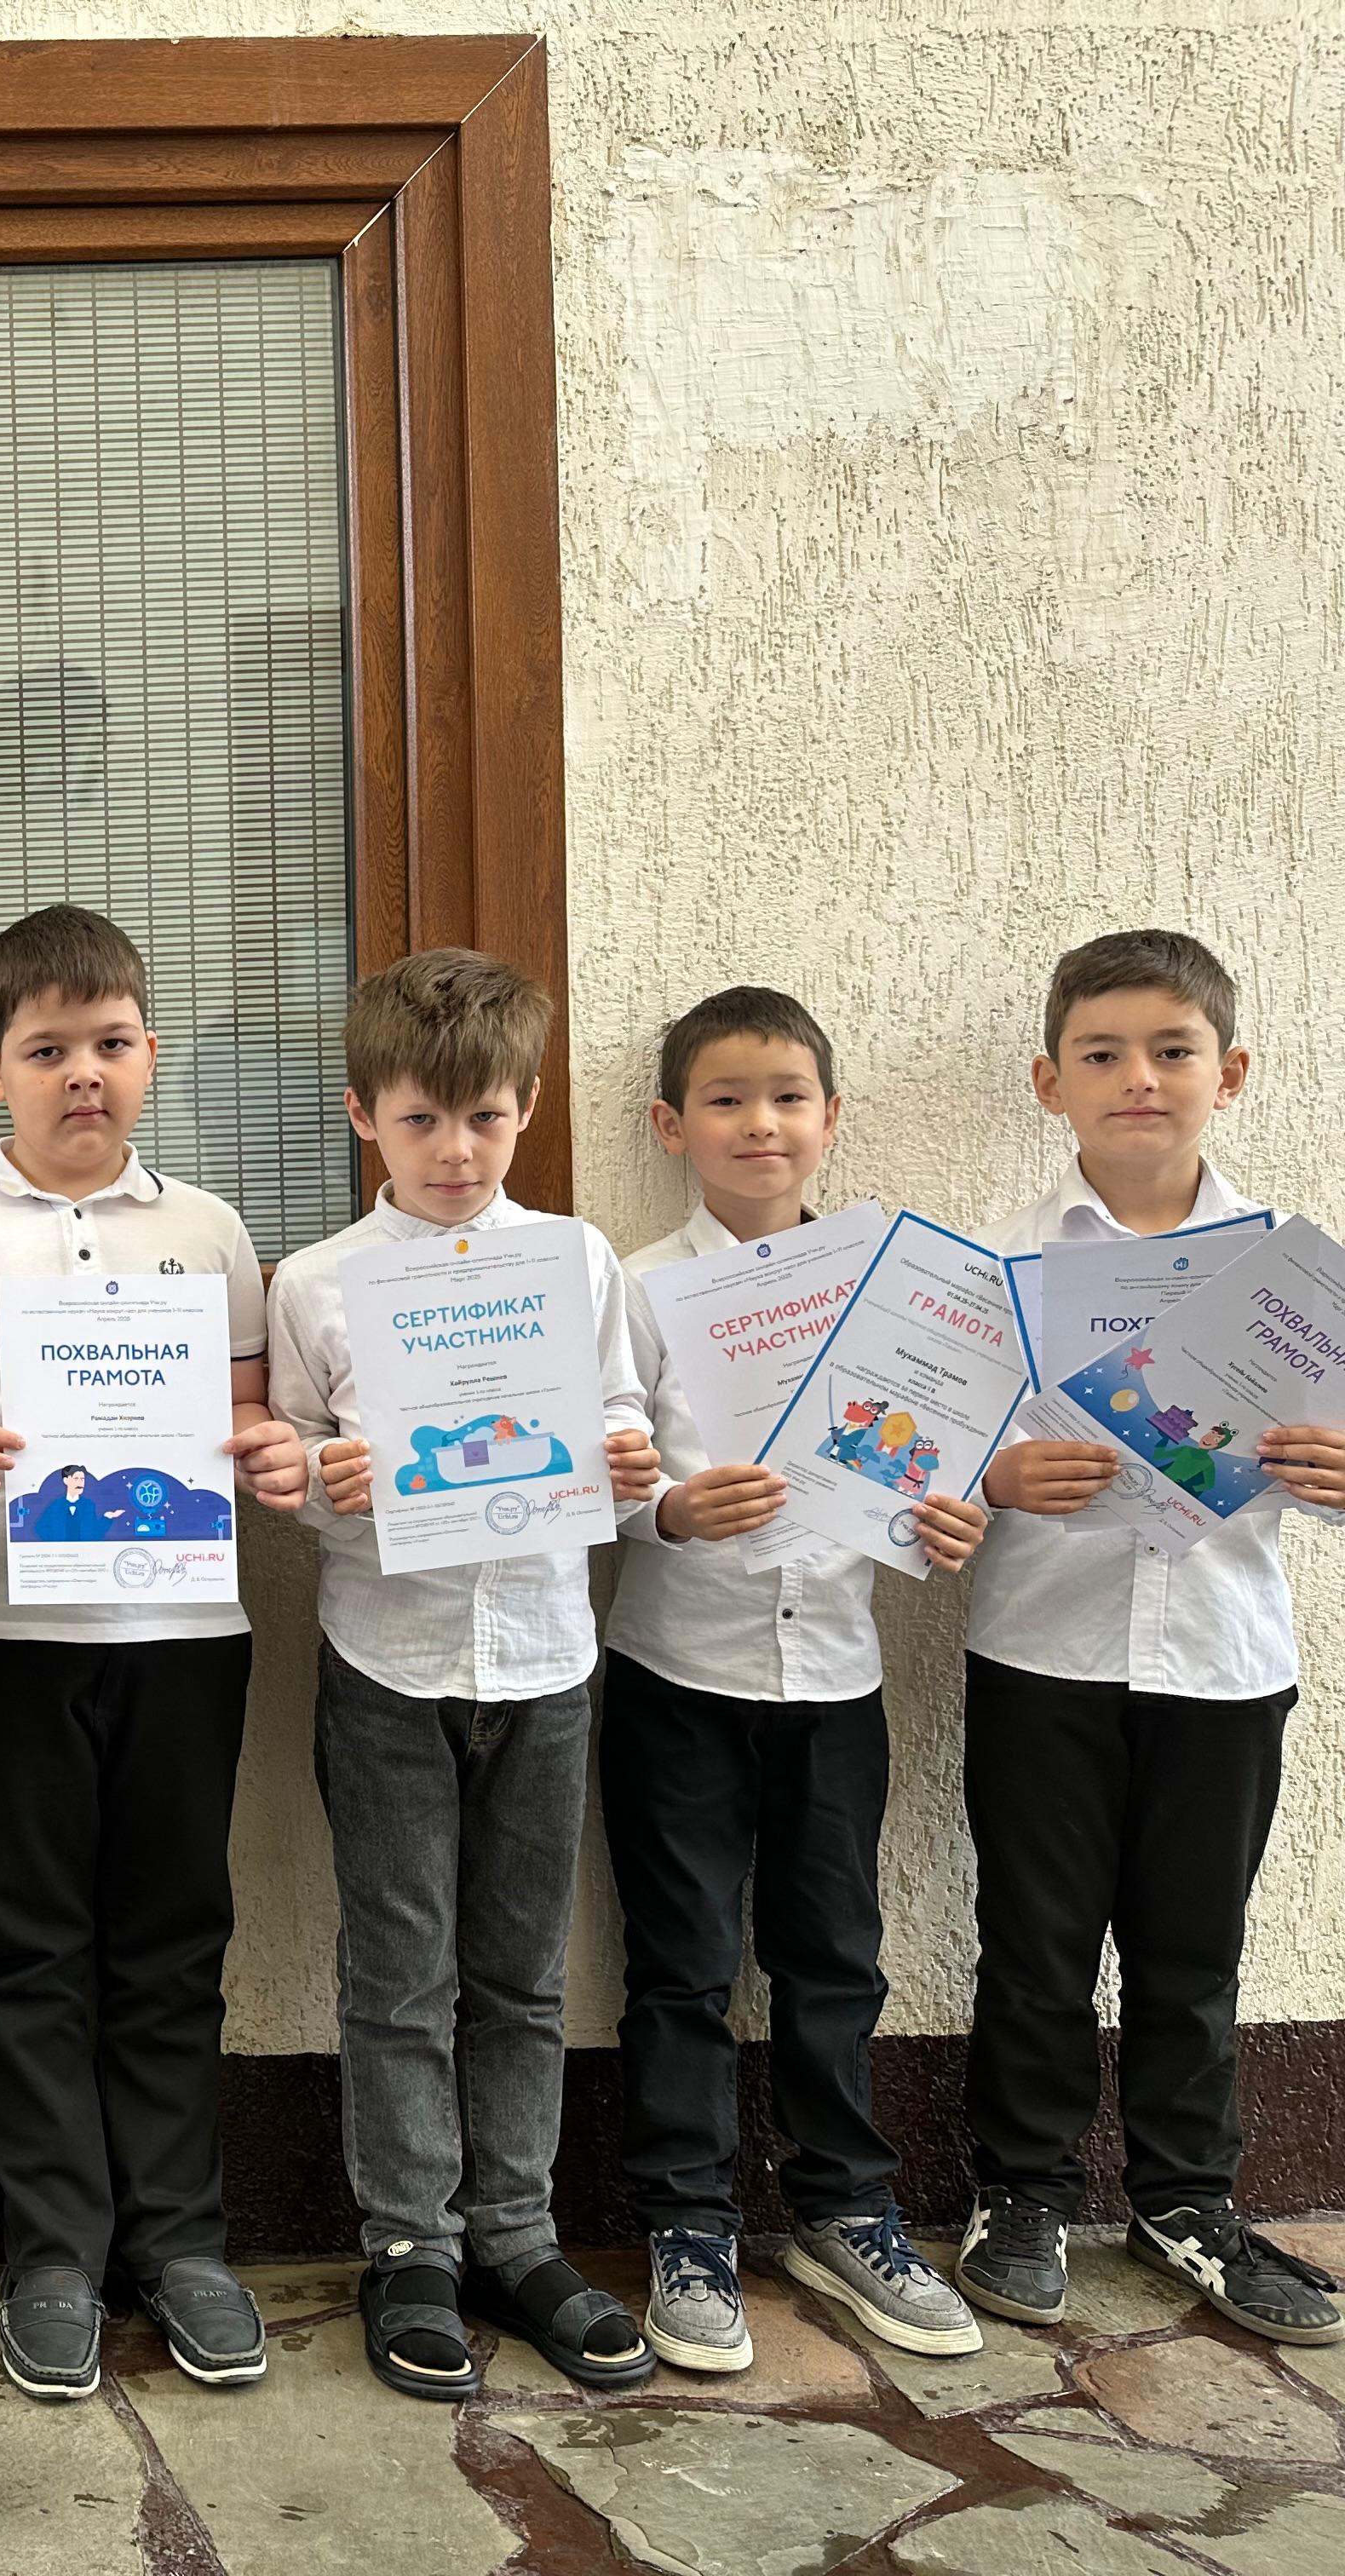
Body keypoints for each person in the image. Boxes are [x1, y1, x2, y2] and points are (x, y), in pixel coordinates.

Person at [0, 906, 307, 2401]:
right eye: (49, 1050)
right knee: (22, 1944)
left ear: (151, 1056)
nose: (84, 1075)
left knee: (174, 1939)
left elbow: (245, 1408)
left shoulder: (210, 1231)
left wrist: (263, 1450)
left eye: (110, 1044)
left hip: (184, 1631)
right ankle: (53, 2249)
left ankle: (181, 2241)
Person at [267, 947, 661, 2401]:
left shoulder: (576, 1260)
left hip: (547, 1660)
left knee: (522, 1975)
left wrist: (627, 1461)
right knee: (398, 1973)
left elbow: (619, 1419)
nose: (455, 1150)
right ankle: (410, 2245)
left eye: (485, 1118)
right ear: (363, 1113)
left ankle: (517, 2232)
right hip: (389, 1662)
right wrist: (327, 1483)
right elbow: (294, 1460)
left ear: (528, 1107)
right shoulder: (317, 1283)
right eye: (422, 1119)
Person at [957, 931, 1344, 2346]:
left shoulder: (1300, 1283)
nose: (1139, 1078)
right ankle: (1022, 2192)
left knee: (1194, 1953)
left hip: (1226, 1666)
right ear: (1048, 1080)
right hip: (1041, 1657)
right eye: (1103, 1053)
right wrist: (997, 1478)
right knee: (1037, 1946)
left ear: (1229, 1075)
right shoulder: (1001, 1274)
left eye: (1173, 1051)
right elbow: (932, 1463)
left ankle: (1188, 2202)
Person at [606, 989, 986, 2372]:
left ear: (831, 1120)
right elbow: (603, 1463)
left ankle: (846, 2208)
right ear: (671, 1126)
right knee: (681, 1965)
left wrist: (952, 1517)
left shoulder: (896, 1294)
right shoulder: (637, 1286)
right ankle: (687, 2225)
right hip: (677, 1674)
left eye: (786, 1097)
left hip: (834, 1676)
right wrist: (666, 1511)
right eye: (725, 1099)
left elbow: (936, 1459)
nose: (758, 1124)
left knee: (834, 1958)